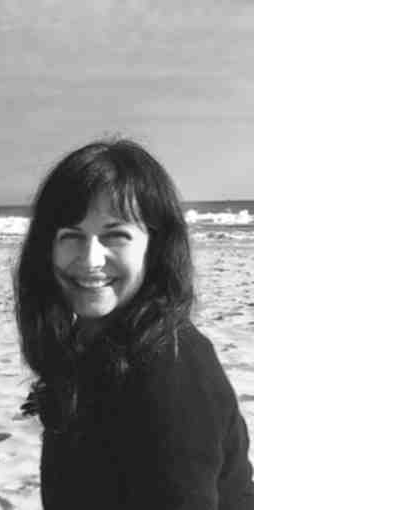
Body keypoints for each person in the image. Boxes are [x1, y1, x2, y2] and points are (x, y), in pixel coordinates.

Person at [14, 138, 254, 510]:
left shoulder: (170, 367)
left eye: (116, 236)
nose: (90, 260)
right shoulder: (92, 344)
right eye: (71, 236)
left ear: (154, 246)